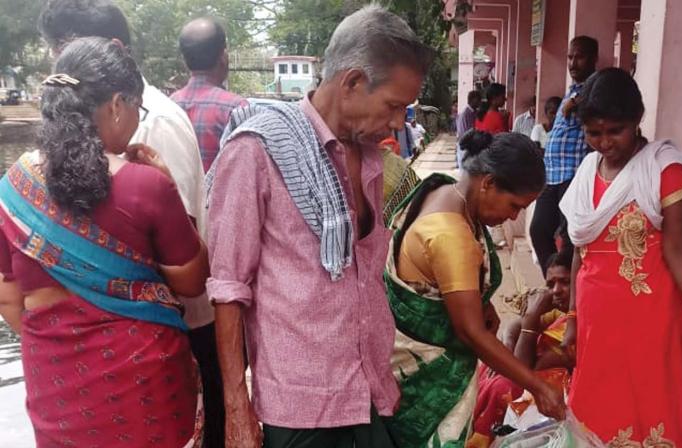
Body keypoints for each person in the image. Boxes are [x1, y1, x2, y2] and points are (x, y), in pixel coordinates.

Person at [205, 5, 434, 448]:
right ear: (350, 82)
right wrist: (237, 410)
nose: (397, 122)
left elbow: (362, 279)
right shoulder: (257, 152)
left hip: (366, 390)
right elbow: (229, 287)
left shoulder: (370, 160)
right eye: (393, 105)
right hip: (301, 406)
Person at [0, 37, 208, 447]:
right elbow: (193, 280)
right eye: (137, 108)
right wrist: (170, 186)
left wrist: (68, 354)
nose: (136, 118)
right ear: (117, 104)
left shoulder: (12, 190)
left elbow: (9, 302)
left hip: (56, 399)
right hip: (148, 397)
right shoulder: (147, 186)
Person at [559, 68, 682, 447]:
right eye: (593, 133)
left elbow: (678, 246)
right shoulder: (586, 171)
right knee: (596, 404)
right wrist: (571, 317)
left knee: (648, 403)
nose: (604, 142)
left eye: (615, 130)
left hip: (648, 317)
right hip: (596, 319)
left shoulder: (667, 171)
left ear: (637, 120)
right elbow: (579, 252)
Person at [384, 130, 566, 447]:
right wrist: (537, 386)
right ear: (489, 182)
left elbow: (438, 284)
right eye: (514, 205)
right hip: (428, 375)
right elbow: (470, 332)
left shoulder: (444, 190)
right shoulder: (451, 236)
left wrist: (482, 303)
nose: (514, 216)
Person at [467, 249, 576, 448]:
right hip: (537, 379)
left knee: (504, 386)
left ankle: (483, 439)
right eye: (551, 284)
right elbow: (514, 326)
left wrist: (532, 318)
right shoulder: (561, 313)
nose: (556, 290)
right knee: (492, 367)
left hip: (558, 393)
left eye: (565, 282)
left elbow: (524, 372)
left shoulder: (575, 328)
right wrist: (508, 344)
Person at [530, 35, 598, 277]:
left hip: (573, 175)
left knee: (569, 238)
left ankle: (566, 293)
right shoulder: (572, 91)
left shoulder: (592, 90)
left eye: (579, 56)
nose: (572, 62)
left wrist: (577, 105)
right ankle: (555, 283)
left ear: (593, 59)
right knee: (539, 230)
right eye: (570, 57)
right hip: (552, 175)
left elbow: (595, 123)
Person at [172, 17, 249, 172]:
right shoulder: (237, 109)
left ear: (184, 61)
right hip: (221, 196)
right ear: (223, 56)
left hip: (177, 196)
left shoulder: (168, 106)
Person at [456, 90, 482, 168]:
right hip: (465, 147)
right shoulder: (466, 114)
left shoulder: (473, 112)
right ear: (473, 100)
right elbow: (466, 133)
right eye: (478, 100)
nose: (479, 102)